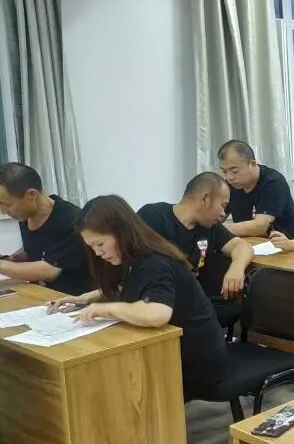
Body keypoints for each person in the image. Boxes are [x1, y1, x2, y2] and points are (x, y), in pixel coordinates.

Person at [49, 196, 228, 401]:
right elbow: (131, 286)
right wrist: (85, 299)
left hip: (196, 362)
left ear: (121, 231)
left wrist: (106, 309)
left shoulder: (155, 262)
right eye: (91, 247)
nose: (97, 252)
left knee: (109, 385)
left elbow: (157, 313)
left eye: (100, 243)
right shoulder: (134, 257)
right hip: (173, 351)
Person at [138, 172, 254, 329]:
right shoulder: (153, 216)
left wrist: (237, 267)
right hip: (162, 299)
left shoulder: (210, 227)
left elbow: (241, 246)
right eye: (223, 205)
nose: (223, 214)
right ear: (205, 199)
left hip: (194, 302)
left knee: (233, 307)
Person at [0, 163, 91, 295]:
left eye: (6, 205)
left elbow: (49, 271)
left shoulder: (71, 219)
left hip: (72, 297)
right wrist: (12, 258)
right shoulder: (25, 215)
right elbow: (41, 245)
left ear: (31, 195)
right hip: (40, 293)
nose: (3, 211)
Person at [218, 140, 294, 239]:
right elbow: (216, 217)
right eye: (224, 172)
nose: (229, 177)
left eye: (234, 171)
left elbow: (260, 227)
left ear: (252, 164)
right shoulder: (229, 185)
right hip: (247, 243)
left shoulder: (273, 182)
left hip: (281, 245)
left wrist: (217, 228)